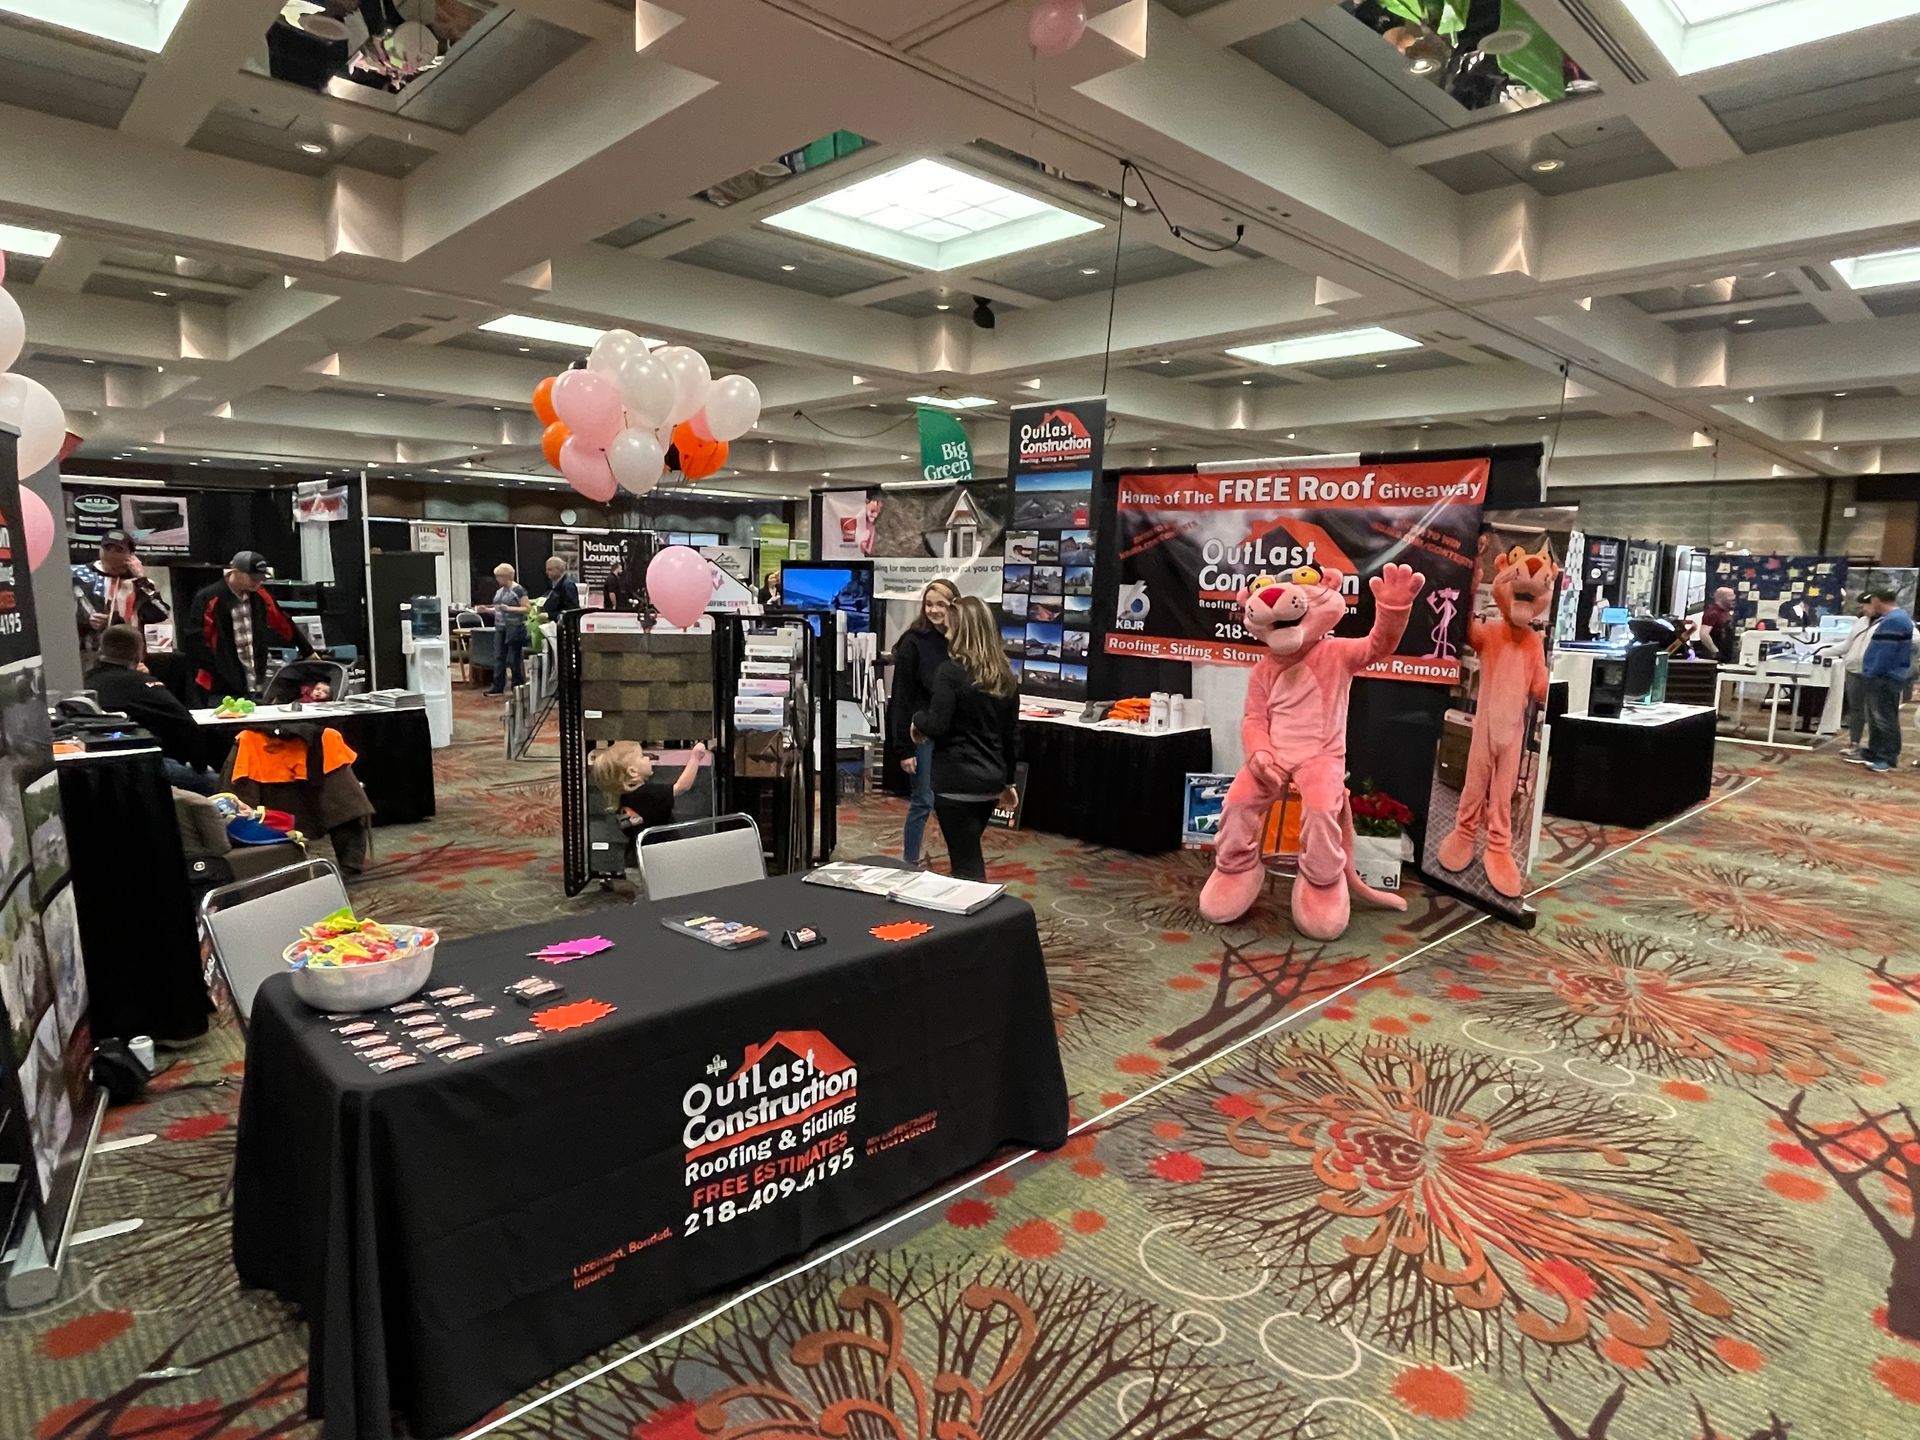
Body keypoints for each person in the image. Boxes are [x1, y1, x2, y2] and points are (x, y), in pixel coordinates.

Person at [911, 596, 1018, 883]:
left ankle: (975, 921)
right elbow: (1010, 736)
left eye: (950, 627)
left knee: (966, 864)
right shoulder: (1005, 675)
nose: (946, 633)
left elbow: (937, 725)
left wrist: (917, 720)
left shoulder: (951, 672)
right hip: (989, 781)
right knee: (967, 852)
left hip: (956, 781)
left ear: (964, 630)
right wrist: (1008, 782)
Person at [84, 624, 218, 793]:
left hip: (95, 771)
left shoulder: (85, 683)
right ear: (140, 653)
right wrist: (200, 764)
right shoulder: (144, 686)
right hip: (143, 766)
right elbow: (185, 724)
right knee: (216, 782)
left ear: (101, 649)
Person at [184, 551, 315, 703]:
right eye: (252, 578)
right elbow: (195, 639)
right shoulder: (209, 597)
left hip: (253, 681)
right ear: (235, 571)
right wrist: (218, 669)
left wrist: (308, 651)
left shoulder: (260, 595)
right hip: (218, 685)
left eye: (260, 578)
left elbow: (283, 622)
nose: (257, 582)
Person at [891, 578, 958, 866]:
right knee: (922, 801)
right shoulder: (912, 642)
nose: (933, 610)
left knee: (952, 803)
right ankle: (910, 863)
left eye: (940, 604)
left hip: (953, 734)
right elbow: (901, 698)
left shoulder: (960, 640)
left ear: (953, 605)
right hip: (922, 734)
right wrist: (903, 749)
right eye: (929, 604)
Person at [591, 740, 711, 863]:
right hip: (660, 860)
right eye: (642, 756)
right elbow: (681, 787)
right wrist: (695, 757)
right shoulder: (647, 795)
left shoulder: (625, 799)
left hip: (636, 859)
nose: (648, 758)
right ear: (632, 771)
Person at [72, 529, 170, 655]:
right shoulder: (78, 576)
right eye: (107, 548)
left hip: (130, 656)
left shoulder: (141, 584)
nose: (112, 553)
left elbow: (160, 615)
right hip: (90, 654)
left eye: (118, 550)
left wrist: (141, 579)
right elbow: (57, 616)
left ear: (131, 555)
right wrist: (86, 620)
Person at [1858, 587, 1913, 773]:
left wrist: (1872, 672)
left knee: (1884, 718)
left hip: (1884, 677)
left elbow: (1886, 653)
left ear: (1876, 600)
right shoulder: (1895, 619)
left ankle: (1887, 757)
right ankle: (1874, 751)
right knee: (1875, 717)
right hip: (1882, 675)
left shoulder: (1895, 621)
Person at [1838, 593, 1881, 762]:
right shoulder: (1860, 622)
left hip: (1873, 673)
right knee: (1856, 709)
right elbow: (1847, 644)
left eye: (1867, 605)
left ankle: (1875, 749)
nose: (1863, 609)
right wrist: (1822, 651)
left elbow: (1914, 638)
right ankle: (1854, 744)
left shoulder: (1889, 622)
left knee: (1874, 711)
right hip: (1853, 671)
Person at [481, 563, 530, 697]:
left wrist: (509, 609)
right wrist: (487, 610)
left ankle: (517, 685)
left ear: (506, 576)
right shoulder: (499, 591)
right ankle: (497, 686)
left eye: (499, 577)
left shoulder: (519, 590)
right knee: (498, 657)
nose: (497, 579)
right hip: (500, 627)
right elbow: (498, 608)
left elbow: (526, 608)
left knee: (514, 658)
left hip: (514, 627)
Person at [1697, 585, 1737, 662]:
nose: (1733, 598)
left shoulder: (1725, 612)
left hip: (1725, 656)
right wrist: (1715, 652)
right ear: (1721, 598)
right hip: (1714, 659)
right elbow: (1704, 635)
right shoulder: (1713, 613)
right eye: (1730, 596)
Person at [541, 556, 579, 621]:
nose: (546, 572)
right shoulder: (556, 585)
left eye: (550, 569)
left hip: (562, 626)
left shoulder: (567, 585)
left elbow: (571, 610)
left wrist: (550, 615)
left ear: (559, 569)